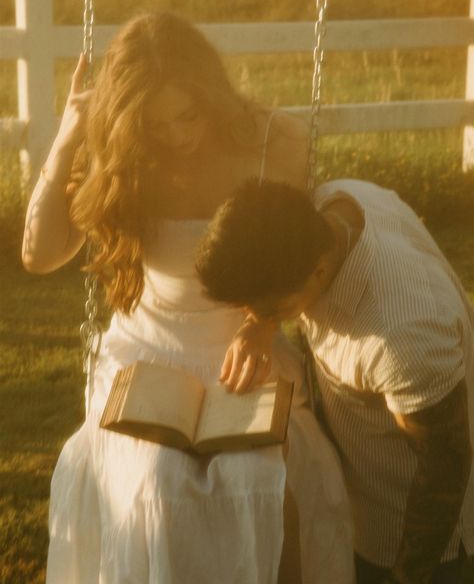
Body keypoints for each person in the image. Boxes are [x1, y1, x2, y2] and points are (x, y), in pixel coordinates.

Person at [22, 12, 354, 583]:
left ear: (212, 93)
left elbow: (294, 254)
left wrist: (263, 324)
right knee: (156, 482)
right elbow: (41, 254)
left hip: (242, 348)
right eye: (157, 124)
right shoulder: (124, 158)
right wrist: (70, 133)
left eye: (188, 114)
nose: (177, 134)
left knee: (258, 480)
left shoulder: (273, 142)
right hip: (145, 356)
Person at [195, 177, 474, 584]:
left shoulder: (400, 338)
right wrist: (260, 322)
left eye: (274, 307)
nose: (257, 313)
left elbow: (444, 467)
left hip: (418, 545)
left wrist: (408, 575)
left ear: (319, 271)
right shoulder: (339, 200)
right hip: (360, 514)